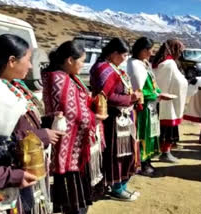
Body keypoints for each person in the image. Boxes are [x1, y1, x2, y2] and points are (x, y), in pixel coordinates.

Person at [0, 34, 63, 214]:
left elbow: (20, 121)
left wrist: (47, 120)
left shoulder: (13, 85)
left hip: (18, 173)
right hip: (4, 180)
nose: (31, 66)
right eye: (28, 59)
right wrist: (39, 136)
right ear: (12, 61)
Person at [42, 40, 98, 213]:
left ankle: (75, 206)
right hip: (67, 139)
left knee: (74, 176)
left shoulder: (69, 76)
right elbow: (70, 112)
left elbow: (79, 103)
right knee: (68, 176)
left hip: (75, 139)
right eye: (81, 60)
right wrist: (95, 117)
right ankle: (73, 208)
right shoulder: (57, 78)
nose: (83, 64)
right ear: (69, 60)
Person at [90, 38, 142, 201]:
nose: (126, 58)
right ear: (114, 54)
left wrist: (132, 97)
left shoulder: (113, 68)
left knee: (125, 152)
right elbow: (105, 97)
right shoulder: (102, 69)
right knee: (117, 154)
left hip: (123, 117)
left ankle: (121, 185)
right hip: (112, 119)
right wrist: (130, 98)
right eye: (124, 55)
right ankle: (117, 188)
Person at [127, 37, 163, 176]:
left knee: (152, 133)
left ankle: (147, 160)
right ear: (142, 50)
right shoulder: (135, 65)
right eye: (150, 50)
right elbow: (137, 90)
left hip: (151, 106)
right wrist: (156, 95)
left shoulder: (143, 63)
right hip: (142, 108)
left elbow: (151, 84)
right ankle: (141, 162)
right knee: (143, 134)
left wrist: (159, 93)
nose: (152, 53)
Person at [152, 39, 188, 163]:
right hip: (167, 101)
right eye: (180, 51)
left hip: (163, 100)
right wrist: (187, 83)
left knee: (163, 128)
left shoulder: (162, 62)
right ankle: (165, 152)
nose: (180, 54)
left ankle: (164, 151)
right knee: (167, 129)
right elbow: (173, 82)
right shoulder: (169, 64)